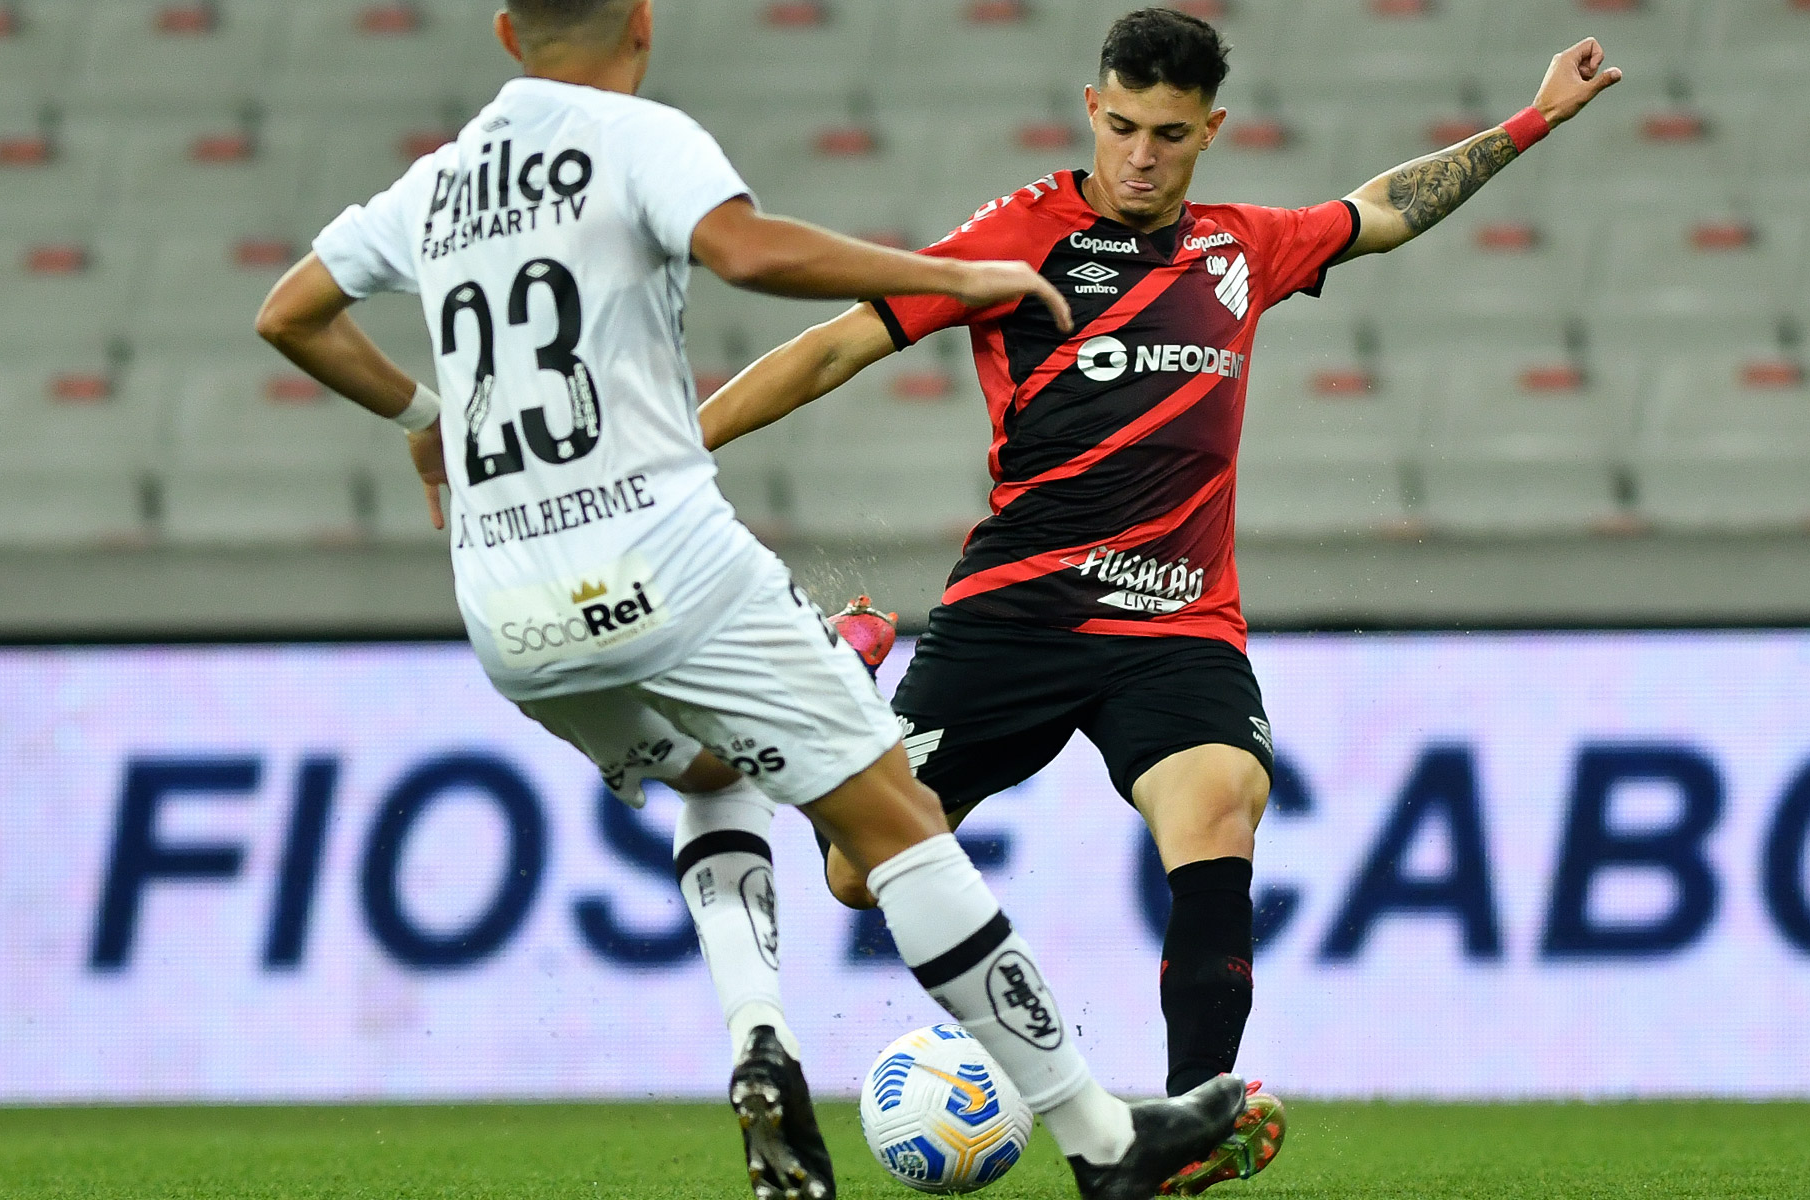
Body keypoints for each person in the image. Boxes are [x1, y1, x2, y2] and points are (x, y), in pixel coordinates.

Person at [253, 3, 1249, 1197]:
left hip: (506, 602)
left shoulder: (438, 183)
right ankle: (1100, 1140)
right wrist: (956, 273)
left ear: (509, 33)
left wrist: (427, 426)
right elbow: (753, 255)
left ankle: (758, 1040)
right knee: (896, 830)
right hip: (657, 553)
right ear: (640, 22)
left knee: (712, 774)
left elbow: (289, 314)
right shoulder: (635, 137)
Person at [700, 7, 1624, 1193]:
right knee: (853, 873)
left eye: (1170, 135)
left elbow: (1384, 209)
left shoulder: (1244, 247)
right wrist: (682, 439)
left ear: (1210, 132)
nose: (1141, 155)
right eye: (1124, 126)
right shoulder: (1017, 238)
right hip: (1016, 610)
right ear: (1093, 108)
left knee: (1222, 804)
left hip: (1175, 621)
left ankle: (1191, 1124)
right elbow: (839, 345)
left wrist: (1534, 119)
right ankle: (849, 665)